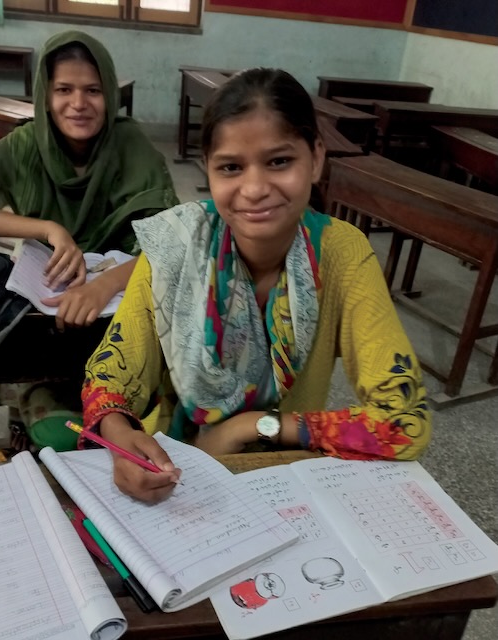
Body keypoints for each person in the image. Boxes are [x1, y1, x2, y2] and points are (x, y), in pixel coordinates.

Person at [80, 68, 431, 502]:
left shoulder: (340, 255)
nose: (254, 188)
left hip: (284, 473)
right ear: (208, 170)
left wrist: (250, 427)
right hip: (171, 468)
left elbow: (405, 419)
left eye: (279, 161)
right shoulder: (174, 248)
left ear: (316, 159)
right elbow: (111, 376)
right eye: (230, 167)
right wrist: (118, 436)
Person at [0, 31, 178, 450]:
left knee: (124, 430)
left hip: (119, 326)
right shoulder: (23, 148)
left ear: (110, 94)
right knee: (56, 433)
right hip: (44, 326)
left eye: (93, 90)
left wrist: (105, 284)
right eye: (64, 90)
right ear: (45, 94)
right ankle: (32, 414)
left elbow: (176, 243)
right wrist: (45, 229)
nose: (78, 104)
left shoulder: (134, 150)